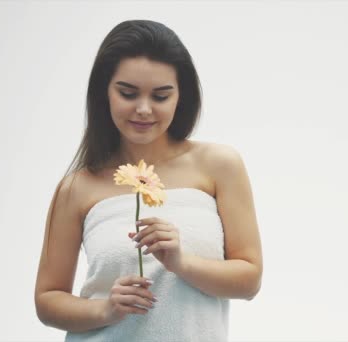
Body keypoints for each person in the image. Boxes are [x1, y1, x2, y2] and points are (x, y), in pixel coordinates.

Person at [34, 19, 263, 341]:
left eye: (160, 96)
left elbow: (249, 279)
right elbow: (47, 300)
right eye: (128, 93)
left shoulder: (219, 165)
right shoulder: (77, 187)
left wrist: (181, 262)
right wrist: (105, 310)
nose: (143, 109)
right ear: (105, 92)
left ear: (180, 96)